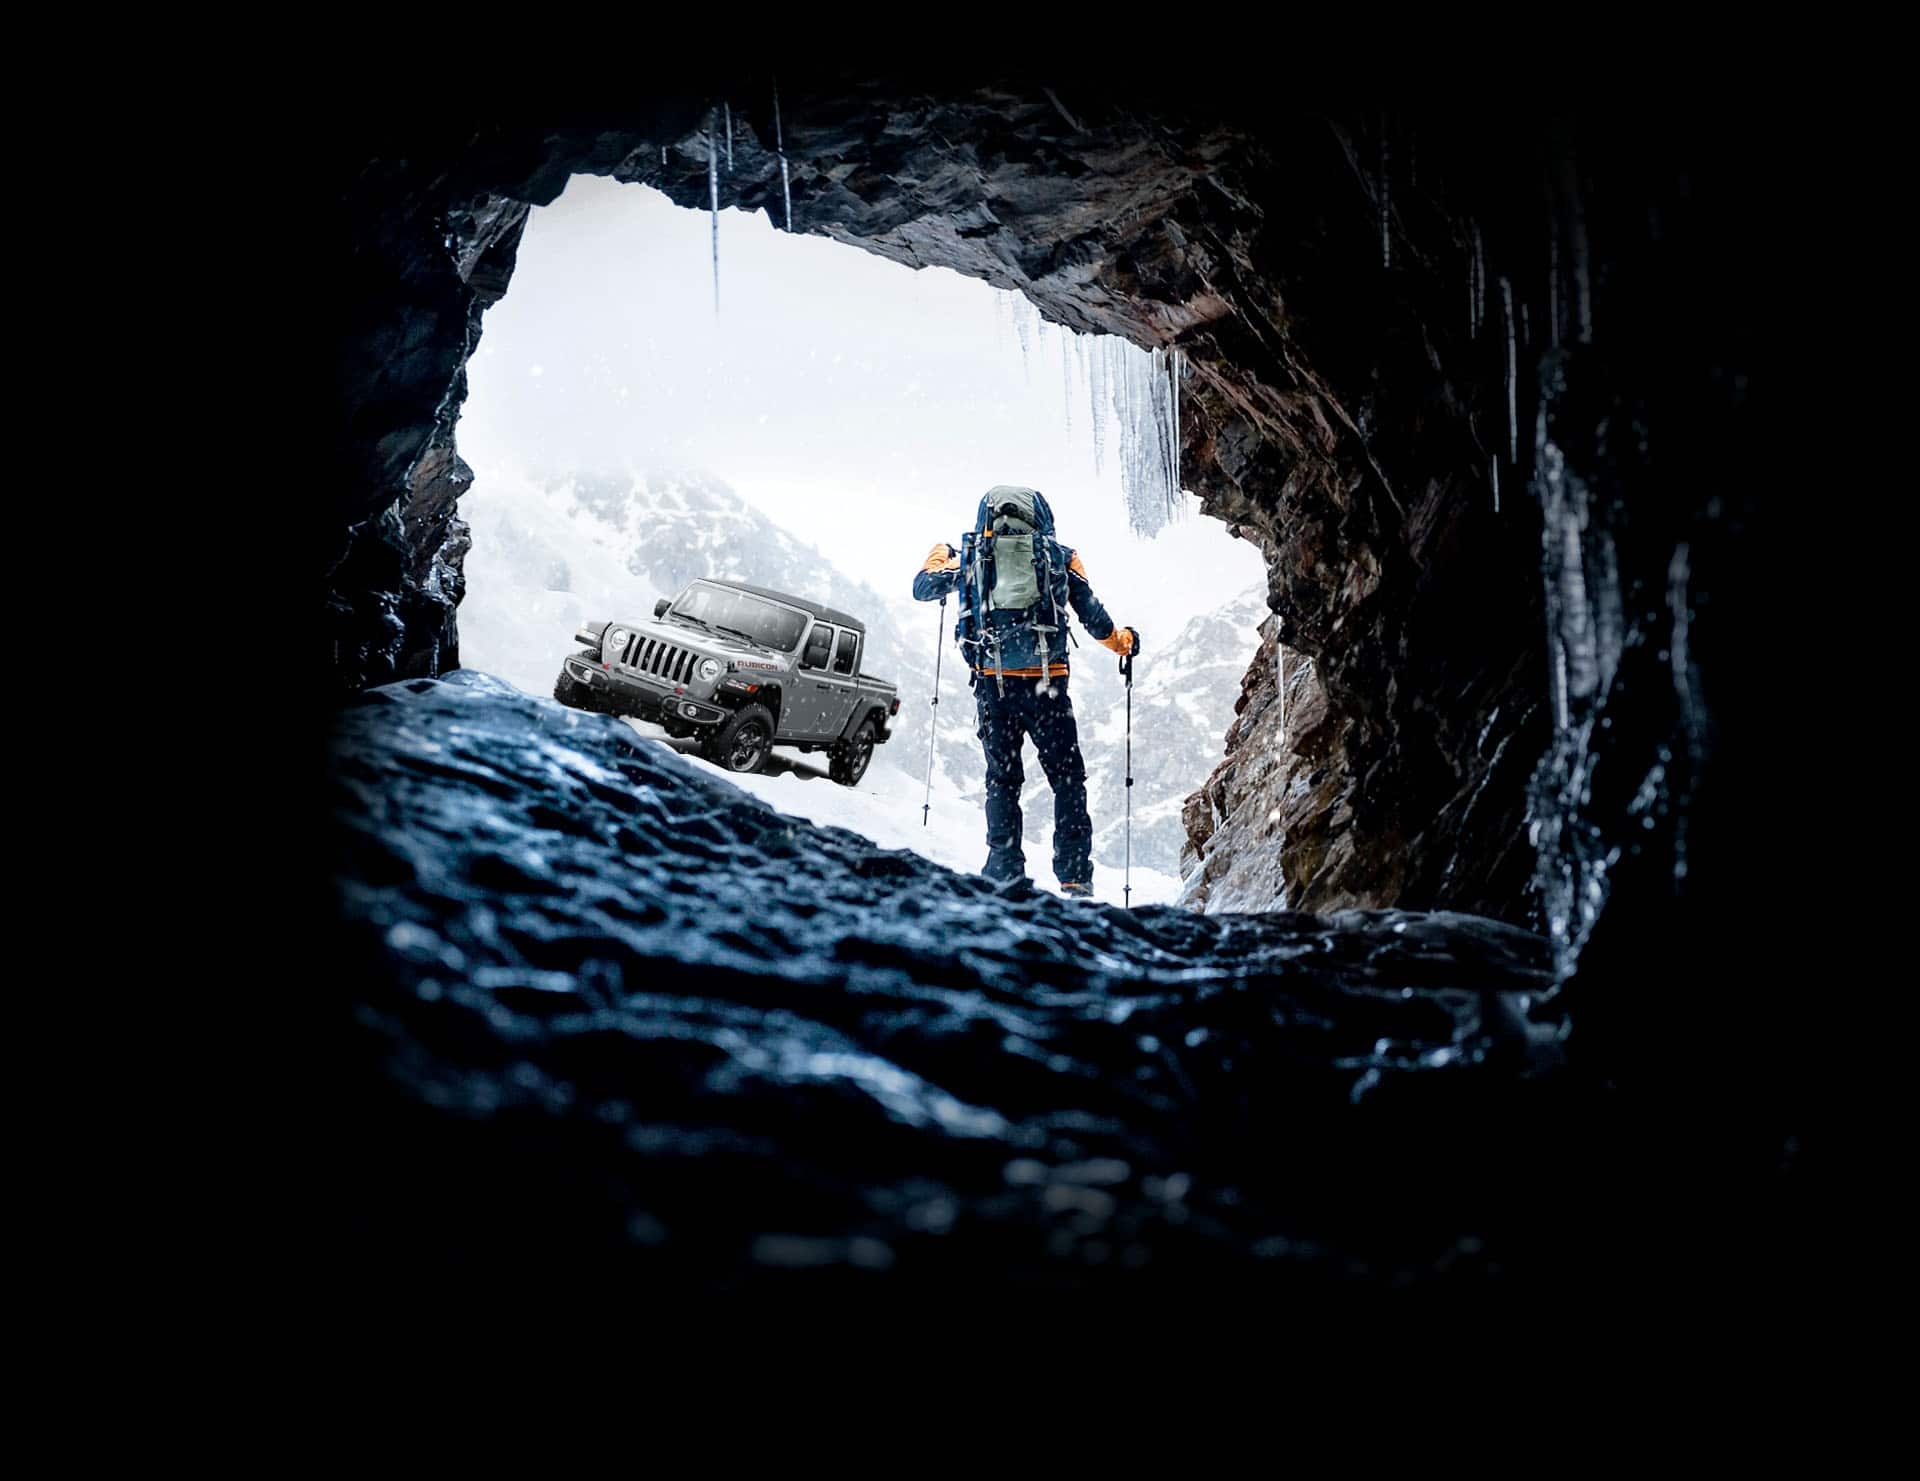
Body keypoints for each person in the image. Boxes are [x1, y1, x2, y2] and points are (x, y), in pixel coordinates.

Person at [912, 485, 1138, 898]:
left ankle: (1003, 869)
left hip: (993, 686)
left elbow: (923, 587)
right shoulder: (1060, 558)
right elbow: (1093, 617)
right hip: (1047, 685)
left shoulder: (972, 557)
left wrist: (939, 551)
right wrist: (1123, 641)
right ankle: (1074, 875)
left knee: (1002, 779)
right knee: (1067, 778)